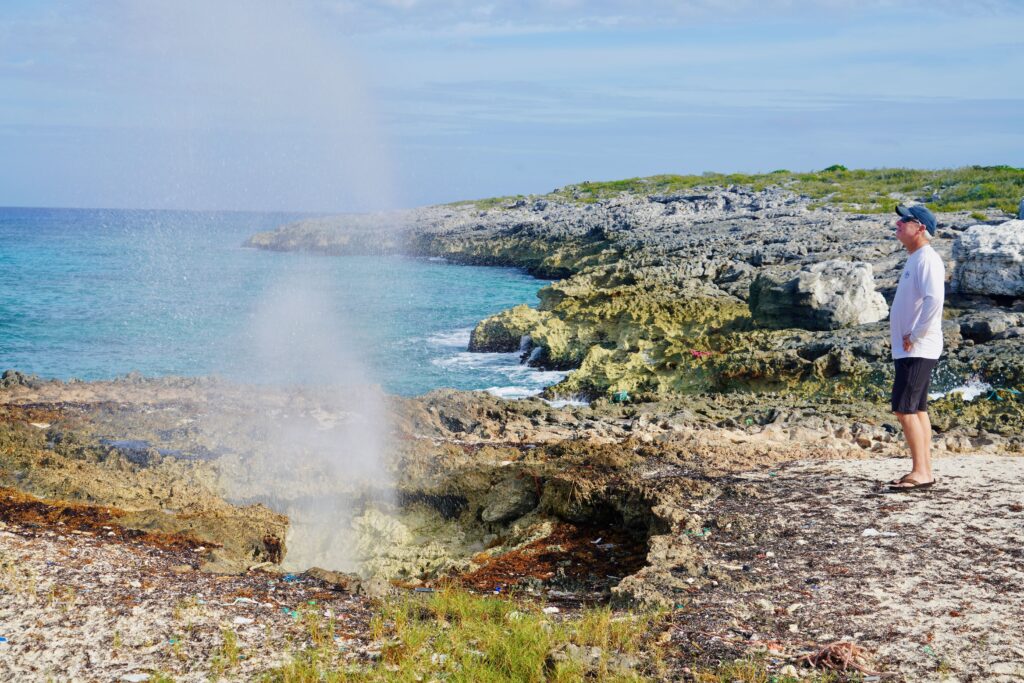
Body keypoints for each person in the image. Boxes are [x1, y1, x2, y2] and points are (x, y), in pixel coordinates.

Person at [888, 204, 944, 491]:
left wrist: (917, 334)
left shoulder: (927, 259)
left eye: (905, 219)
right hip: (911, 347)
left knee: (904, 408)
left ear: (920, 227)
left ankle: (921, 472)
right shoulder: (915, 258)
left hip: (917, 347)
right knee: (917, 409)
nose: (898, 222)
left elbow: (934, 299)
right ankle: (924, 470)